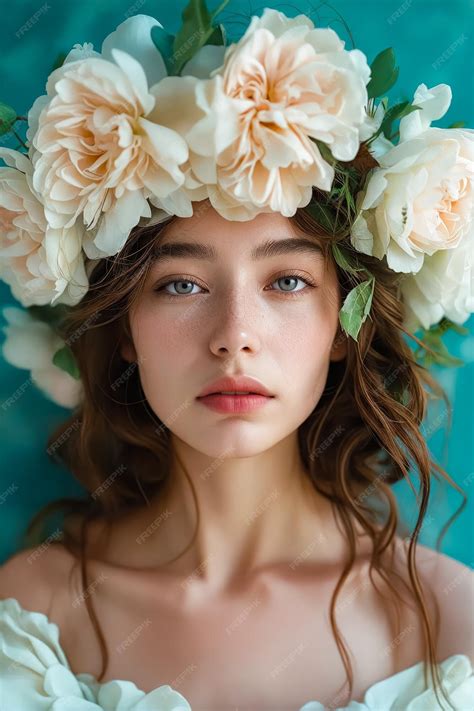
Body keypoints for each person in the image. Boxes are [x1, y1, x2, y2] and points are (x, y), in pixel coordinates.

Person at [0, 5, 473, 710]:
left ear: (346, 321)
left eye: (286, 281)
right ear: (124, 323)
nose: (234, 336)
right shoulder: (32, 613)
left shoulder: (447, 620)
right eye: (181, 284)